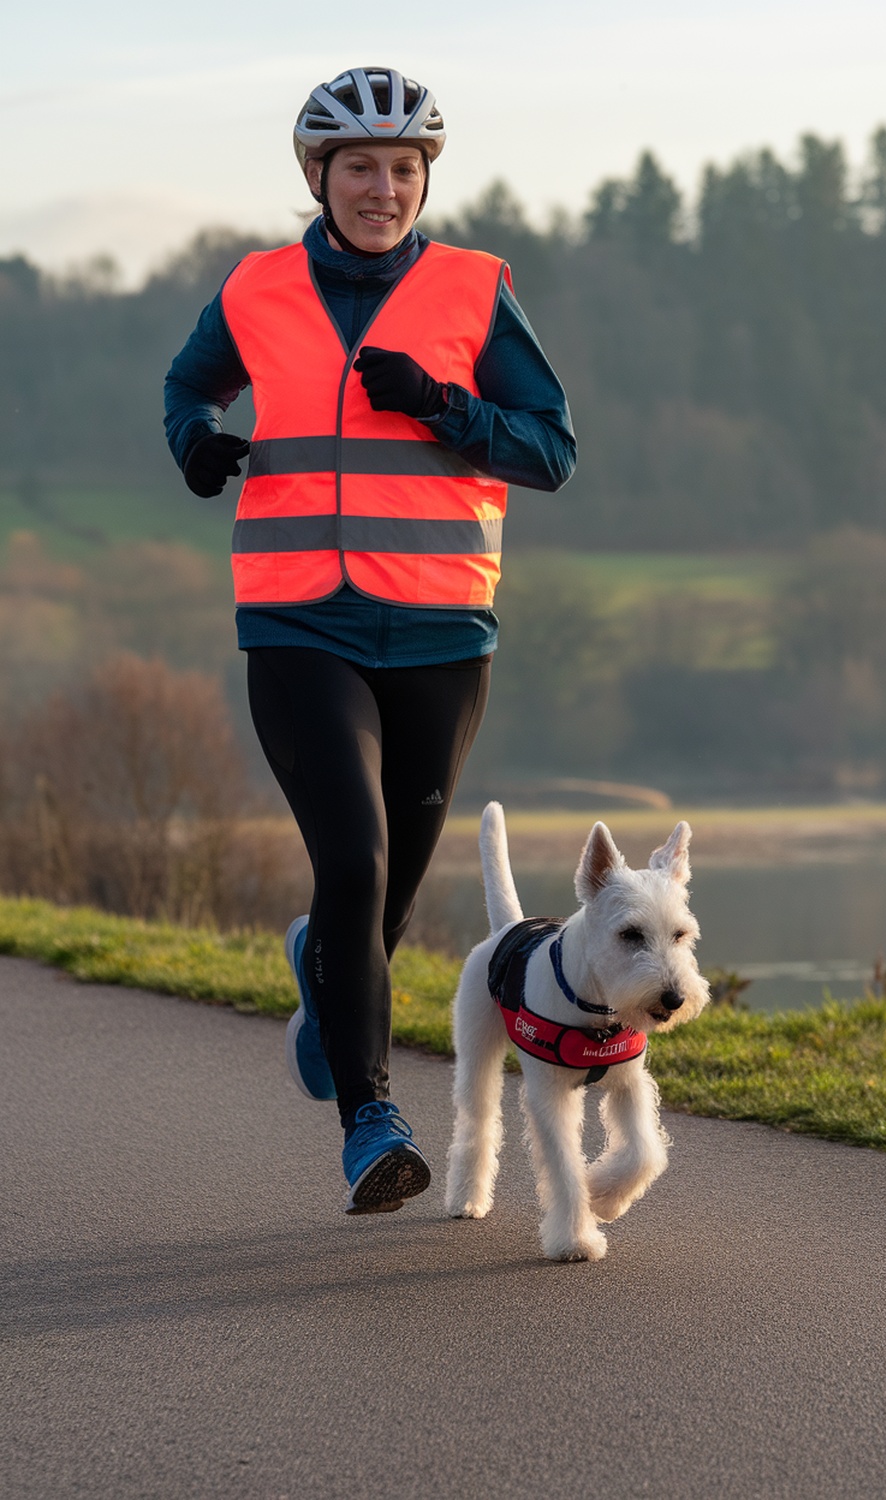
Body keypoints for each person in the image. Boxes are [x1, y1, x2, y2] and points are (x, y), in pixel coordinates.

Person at [164, 66, 575, 1215]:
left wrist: (443, 404)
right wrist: (194, 438)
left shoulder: (475, 289)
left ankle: (322, 972)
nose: (382, 188)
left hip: (442, 625)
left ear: (424, 177)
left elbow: (549, 449)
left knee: (382, 896)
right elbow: (188, 387)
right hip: (298, 620)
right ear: (318, 176)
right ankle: (371, 1123)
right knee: (353, 861)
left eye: (403, 168)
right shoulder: (255, 289)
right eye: (359, 167)